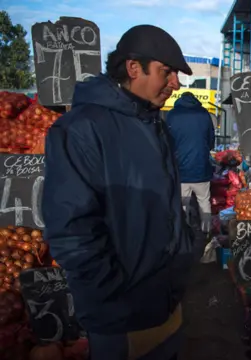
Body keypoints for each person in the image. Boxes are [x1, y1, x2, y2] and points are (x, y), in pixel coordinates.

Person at [42, 25, 194, 360]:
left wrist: (182, 255)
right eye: (166, 72)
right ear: (133, 68)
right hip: (120, 316)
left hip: (165, 301)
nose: (175, 84)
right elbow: (70, 229)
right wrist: (112, 292)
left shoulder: (154, 124)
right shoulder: (79, 128)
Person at [166, 92, 215, 233]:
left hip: (180, 170)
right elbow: (211, 140)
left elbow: (167, 142)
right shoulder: (204, 114)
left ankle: (184, 233)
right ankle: (207, 232)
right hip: (201, 168)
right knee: (204, 202)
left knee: (182, 204)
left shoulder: (172, 115)